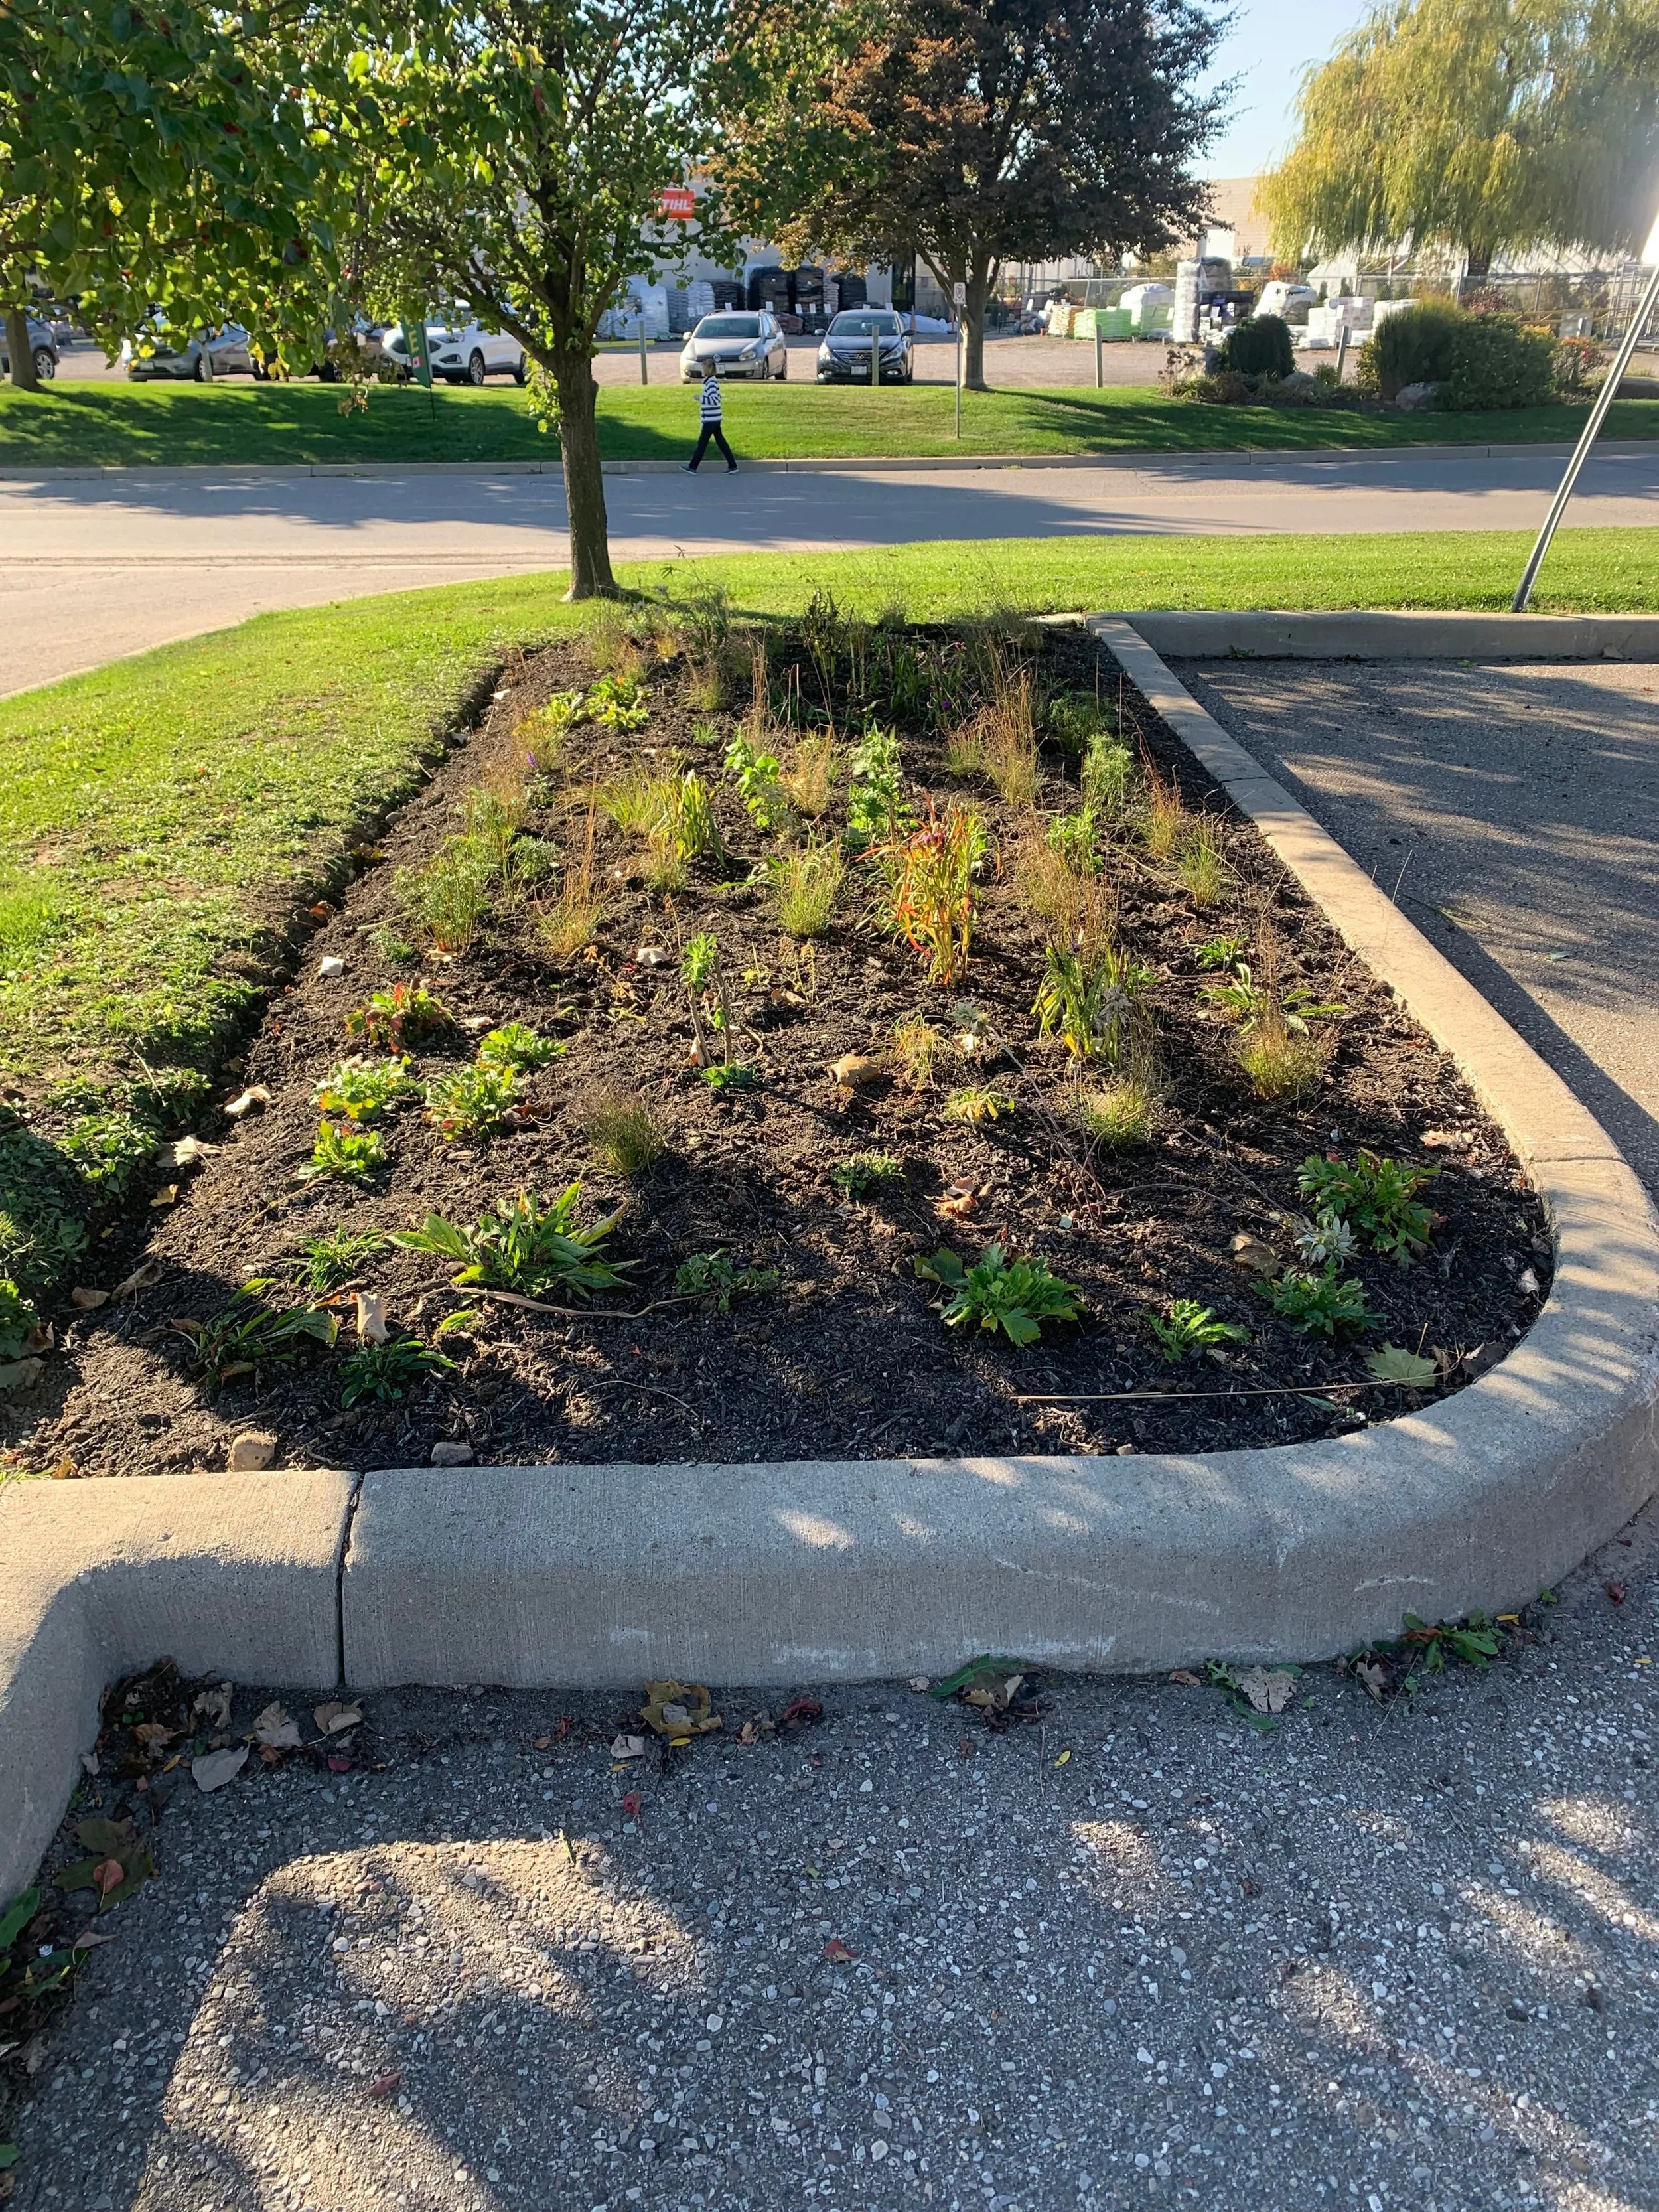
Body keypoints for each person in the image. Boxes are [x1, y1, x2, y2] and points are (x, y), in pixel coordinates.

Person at [683, 368, 737, 473]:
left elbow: (714, 400)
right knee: (721, 443)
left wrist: (700, 398)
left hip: (711, 419)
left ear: (708, 370)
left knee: (702, 444)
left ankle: (693, 466)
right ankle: (732, 465)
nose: (702, 370)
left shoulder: (711, 383)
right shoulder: (711, 382)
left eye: (703, 368)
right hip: (714, 418)